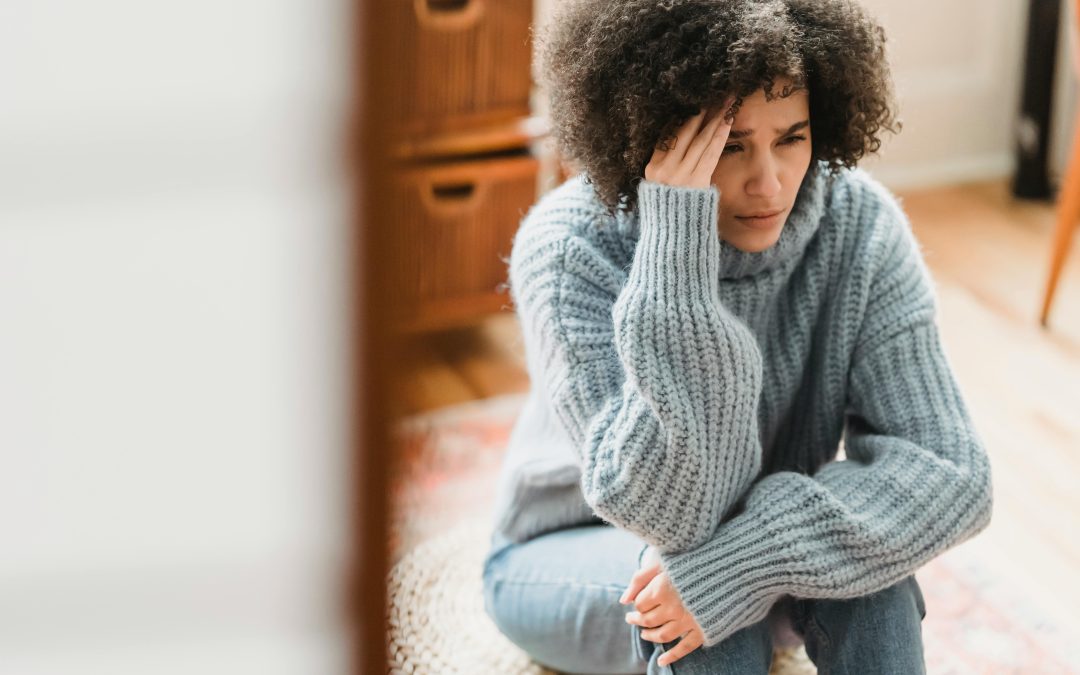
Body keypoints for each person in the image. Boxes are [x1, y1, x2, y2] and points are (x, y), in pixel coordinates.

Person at [481, 0, 993, 673]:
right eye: (729, 144)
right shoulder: (572, 246)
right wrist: (675, 251)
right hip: (567, 547)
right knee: (696, 613)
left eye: (792, 136)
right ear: (651, 133)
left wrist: (748, 558)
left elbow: (951, 472)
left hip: (744, 538)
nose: (769, 182)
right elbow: (670, 515)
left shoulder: (859, 225)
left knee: (873, 580)